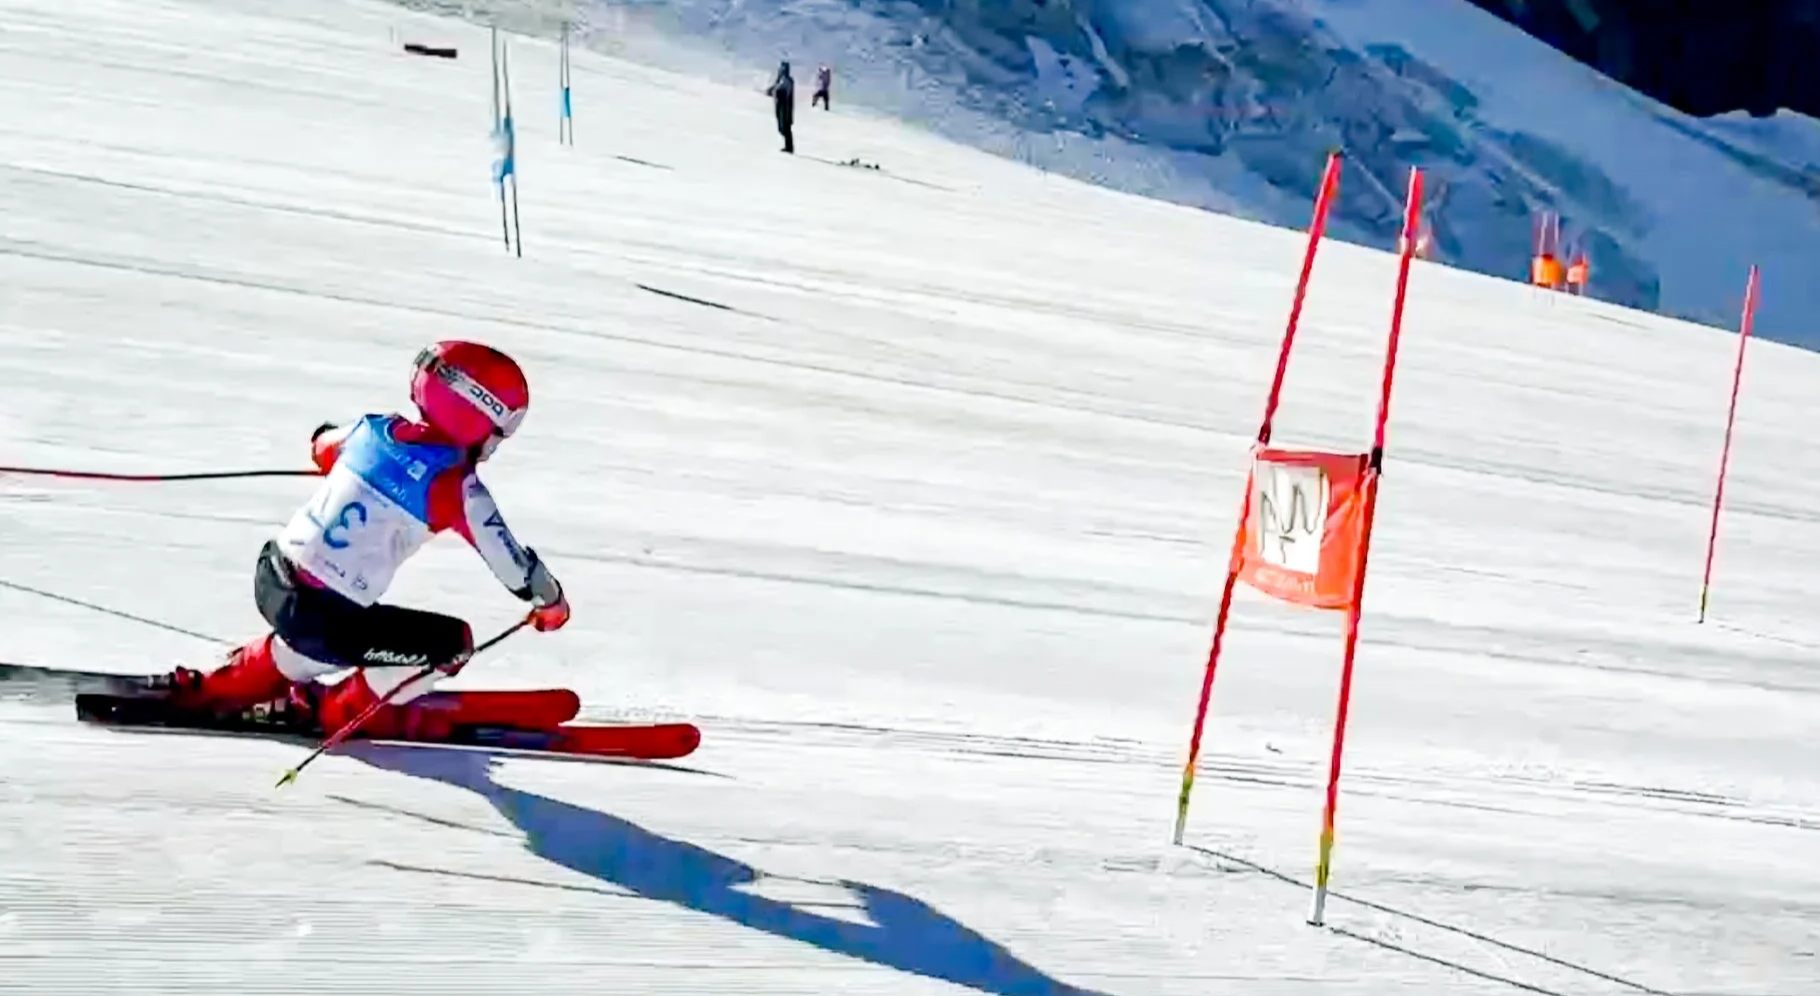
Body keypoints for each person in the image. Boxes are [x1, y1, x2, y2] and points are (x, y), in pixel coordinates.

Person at [155, 341, 572, 740]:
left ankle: (230, 684)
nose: (500, 438)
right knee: (453, 645)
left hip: (273, 579)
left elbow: (322, 446)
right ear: (477, 412)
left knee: (317, 630)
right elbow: (514, 566)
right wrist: (549, 601)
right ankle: (344, 710)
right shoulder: (457, 487)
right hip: (324, 618)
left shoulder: (372, 429)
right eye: (504, 425)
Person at [767, 60, 796, 153]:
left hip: (785, 107)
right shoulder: (780, 79)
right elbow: (776, 88)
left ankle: (789, 147)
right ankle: (788, 146)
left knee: (785, 127)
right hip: (780, 106)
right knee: (782, 127)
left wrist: (775, 91)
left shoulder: (788, 80)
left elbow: (782, 91)